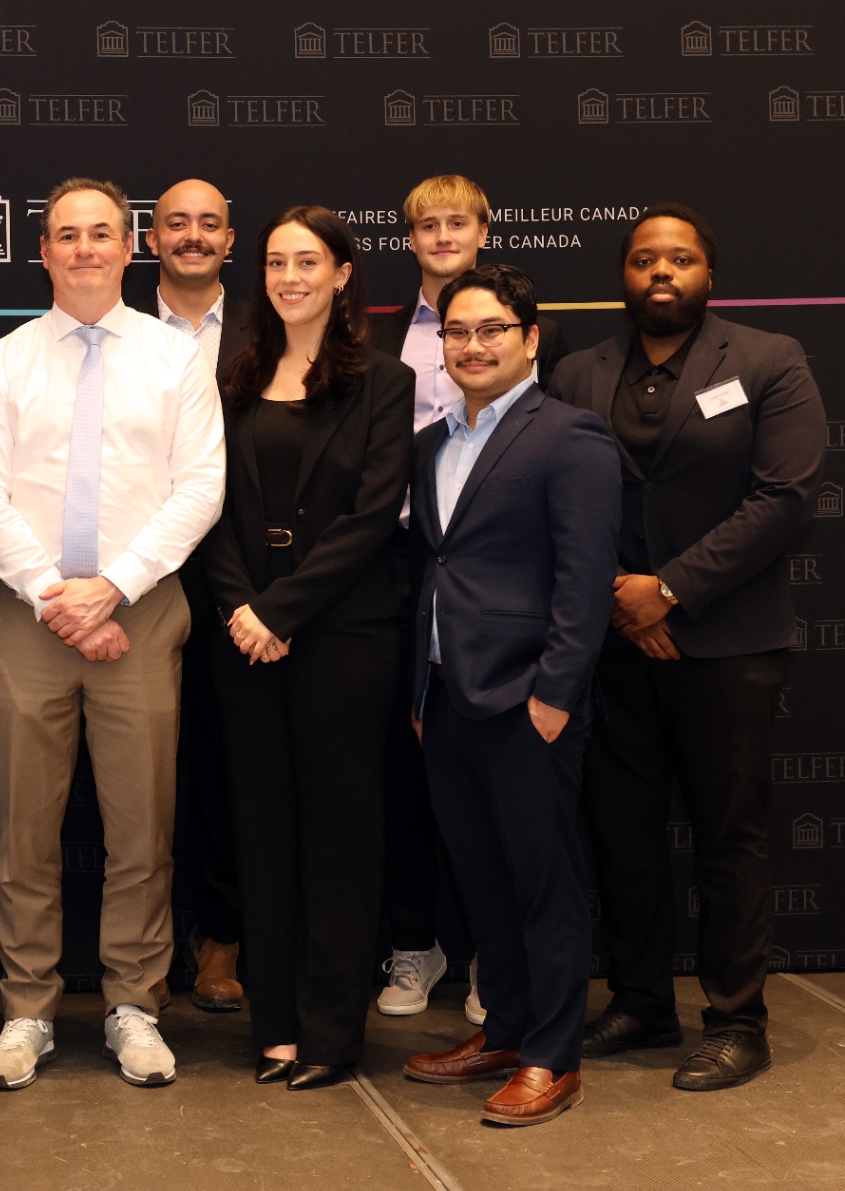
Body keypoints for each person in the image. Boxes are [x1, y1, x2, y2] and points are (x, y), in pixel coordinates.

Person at [553, 205, 826, 1091]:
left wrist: (665, 590)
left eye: (679, 259)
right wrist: (618, 601)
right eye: (643, 260)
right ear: (621, 277)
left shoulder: (766, 360)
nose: (660, 272)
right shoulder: (578, 371)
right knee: (623, 835)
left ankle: (737, 1019)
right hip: (612, 640)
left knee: (728, 837)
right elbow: (553, 498)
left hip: (728, 645)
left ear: (710, 274)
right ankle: (639, 1000)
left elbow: (783, 497)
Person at [0, 177, 224, 1090]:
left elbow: (200, 487)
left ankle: (134, 1004)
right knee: (21, 829)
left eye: (100, 234)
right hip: (29, 616)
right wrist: (55, 595)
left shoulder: (175, 358)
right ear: (43, 251)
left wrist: (110, 588)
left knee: (140, 826)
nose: (83, 249)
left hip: (142, 613)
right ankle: (27, 1006)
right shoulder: (1, 361)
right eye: (66, 234)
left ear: (128, 248)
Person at [195, 206, 413, 1090]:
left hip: (342, 635)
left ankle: (329, 1031)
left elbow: (371, 517)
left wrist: (283, 609)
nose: (290, 277)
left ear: (343, 273)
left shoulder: (383, 382)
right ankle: (274, 1024)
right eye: (278, 262)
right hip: (244, 636)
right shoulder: (234, 376)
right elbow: (202, 500)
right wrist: (244, 608)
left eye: (308, 261)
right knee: (264, 831)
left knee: (339, 834)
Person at [402, 264, 620, 1127]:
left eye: (492, 329)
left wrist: (555, 694)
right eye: (458, 331)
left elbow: (585, 577)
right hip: (448, 697)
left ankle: (551, 1056)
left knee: (543, 885)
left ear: (530, 338)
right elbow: (437, 566)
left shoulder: (571, 436)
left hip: (529, 701)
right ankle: (507, 1030)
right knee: (482, 881)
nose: (473, 345)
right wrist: (421, 689)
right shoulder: (433, 444)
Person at [368, 175, 570, 1021]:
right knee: (427, 796)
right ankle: (426, 948)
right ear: (407, 238)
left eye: (459, 221)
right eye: (427, 223)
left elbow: (575, 560)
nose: (443, 233)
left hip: (506, 609)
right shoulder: (383, 351)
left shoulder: (545, 387)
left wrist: (557, 686)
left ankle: (517, 994)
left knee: (525, 833)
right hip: (410, 583)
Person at [128, 178, 246, 1014]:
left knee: (222, 769)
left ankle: (221, 944)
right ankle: (138, 952)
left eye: (209, 224)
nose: (193, 236)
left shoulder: (269, 331)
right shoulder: (117, 335)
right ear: (152, 239)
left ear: (231, 241)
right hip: (135, 577)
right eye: (177, 223)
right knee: (133, 775)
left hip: (239, 580)